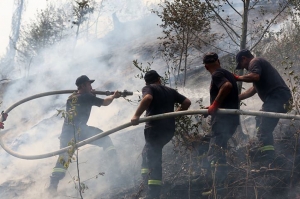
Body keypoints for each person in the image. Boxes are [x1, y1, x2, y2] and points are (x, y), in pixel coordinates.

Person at [47, 75, 121, 193]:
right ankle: (115, 168)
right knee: (105, 139)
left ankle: (52, 185)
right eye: (88, 84)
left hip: (67, 133)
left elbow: (84, 104)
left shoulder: (72, 97)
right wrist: (114, 96)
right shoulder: (86, 97)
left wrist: (92, 96)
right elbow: (105, 102)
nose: (91, 86)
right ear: (83, 86)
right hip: (80, 131)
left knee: (63, 159)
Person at [131, 70, 191, 199]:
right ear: (159, 79)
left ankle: (153, 194)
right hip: (168, 130)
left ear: (146, 82)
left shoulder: (148, 88)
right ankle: (146, 184)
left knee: (154, 160)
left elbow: (147, 98)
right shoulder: (170, 90)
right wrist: (174, 115)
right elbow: (187, 102)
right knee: (146, 153)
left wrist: (136, 115)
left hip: (154, 130)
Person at [234, 49, 291, 168]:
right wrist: (236, 98)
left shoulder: (254, 62)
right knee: (260, 120)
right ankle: (267, 153)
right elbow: (253, 89)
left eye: (242, 64)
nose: (244, 68)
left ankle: (269, 159)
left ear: (244, 58)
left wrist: (237, 78)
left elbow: (255, 76)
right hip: (279, 98)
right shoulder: (258, 66)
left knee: (263, 129)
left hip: (277, 96)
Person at [202, 52, 239, 196]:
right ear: (218, 61)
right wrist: (211, 107)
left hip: (223, 121)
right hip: (230, 119)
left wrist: (214, 105)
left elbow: (227, 86)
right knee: (220, 151)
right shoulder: (227, 73)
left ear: (206, 67)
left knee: (215, 153)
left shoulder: (217, 75)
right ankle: (221, 187)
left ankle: (219, 190)